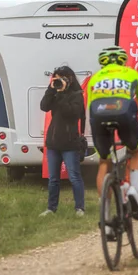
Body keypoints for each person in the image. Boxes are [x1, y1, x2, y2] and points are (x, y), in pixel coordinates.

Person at [87, 46, 138, 239]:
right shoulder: (133, 75)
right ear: (123, 61)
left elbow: (89, 110)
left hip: (98, 118)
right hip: (124, 116)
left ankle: (104, 218)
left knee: (104, 162)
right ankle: (133, 191)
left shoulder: (94, 79)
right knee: (137, 150)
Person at [39, 66, 86, 217]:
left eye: (61, 78)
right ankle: (51, 208)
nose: (59, 81)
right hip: (53, 143)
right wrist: (51, 90)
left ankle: (79, 208)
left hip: (70, 143)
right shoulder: (54, 92)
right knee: (53, 179)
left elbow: (72, 113)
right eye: (56, 78)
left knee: (74, 177)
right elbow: (44, 106)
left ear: (69, 79)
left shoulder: (77, 95)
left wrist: (61, 95)